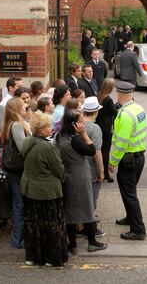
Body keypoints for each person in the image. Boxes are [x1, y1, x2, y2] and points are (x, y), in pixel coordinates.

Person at [21, 112, 68, 267]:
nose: (51, 128)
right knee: (51, 226)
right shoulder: (47, 147)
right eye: (48, 126)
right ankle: (51, 258)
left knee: (33, 225)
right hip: (47, 193)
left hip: (29, 190)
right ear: (40, 130)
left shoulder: (27, 142)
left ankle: (32, 257)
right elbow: (59, 170)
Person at [56, 109, 107, 254]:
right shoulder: (76, 139)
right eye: (80, 121)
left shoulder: (59, 137)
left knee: (70, 210)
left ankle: (72, 245)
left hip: (67, 175)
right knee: (87, 208)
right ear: (74, 124)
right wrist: (84, 134)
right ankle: (92, 242)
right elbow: (92, 149)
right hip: (81, 176)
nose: (83, 123)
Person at [108, 80, 147, 240]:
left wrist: (112, 162)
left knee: (129, 193)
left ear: (119, 95)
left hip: (128, 159)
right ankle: (130, 218)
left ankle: (138, 230)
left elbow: (121, 144)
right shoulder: (138, 108)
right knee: (130, 191)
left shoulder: (125, 115)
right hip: (139, 156)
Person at [0, 97, 31, 249]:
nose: (26, 106)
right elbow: (24, 148)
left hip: (10, 169)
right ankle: (18, 240)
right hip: (18, 171)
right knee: (19, 205)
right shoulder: (17, 125)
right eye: (23, 105)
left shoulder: (9, 124)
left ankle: (17, 238)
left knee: (17, 204)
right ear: (17, 109)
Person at [82, 97, 105, 217]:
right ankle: (89, 226)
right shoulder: (95, 128)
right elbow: (97, 152)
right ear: (96, 112)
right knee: (91, 199)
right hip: (91, 169)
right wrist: (101, 171)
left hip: (78, 168)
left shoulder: (77, 124)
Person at [96, 78, 118, 183]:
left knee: (100, 149)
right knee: (106, 151)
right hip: (107, 127)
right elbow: (115, 112)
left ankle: (101, 171)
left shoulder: (99, 95)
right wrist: (117, 106)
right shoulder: (108, 99)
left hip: (99, 124)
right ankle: (106, 174)